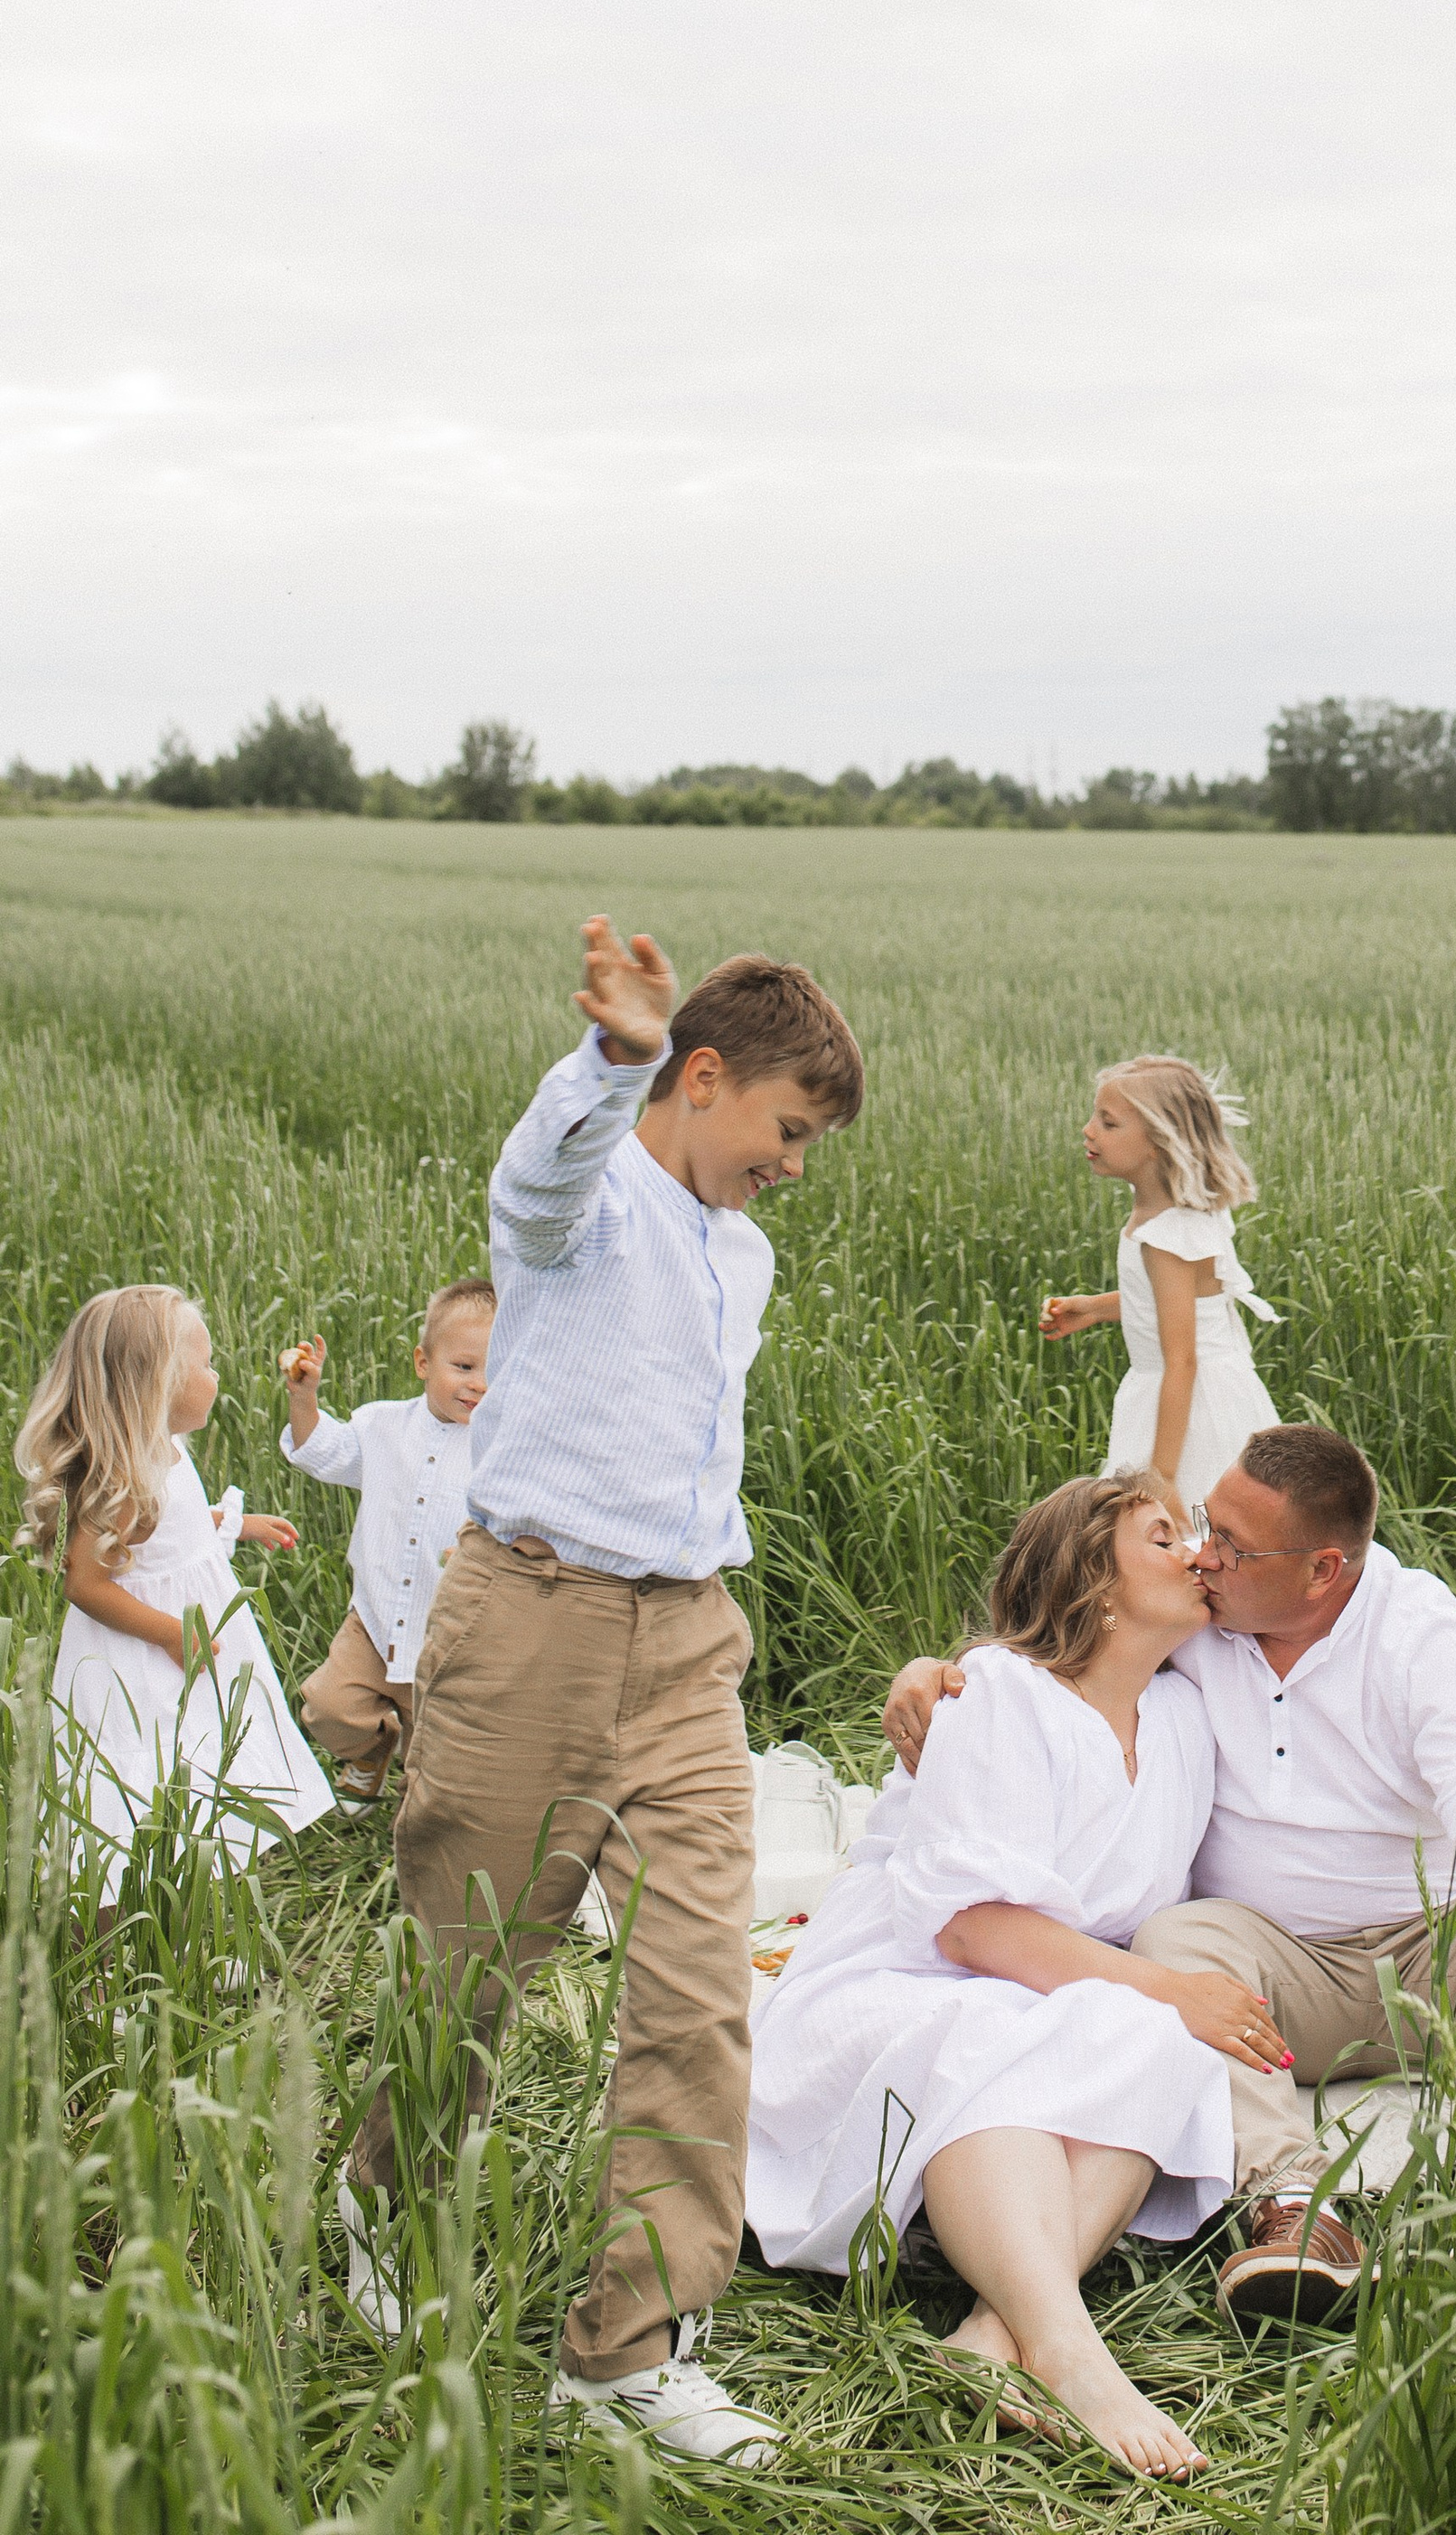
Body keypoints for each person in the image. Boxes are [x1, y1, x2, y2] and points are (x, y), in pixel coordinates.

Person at [343, 921, 863, 2471]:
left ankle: (631, 2349)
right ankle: (388, 2197)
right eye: (782, 1133)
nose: (789, 1167)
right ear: (703, 1078)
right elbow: (536, 1179)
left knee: (702, 1986)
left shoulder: (745, 1254)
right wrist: (609, 1064)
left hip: (690, 1640)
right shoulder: (586, 1213)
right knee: (470, 1964)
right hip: (534, 1622)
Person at [885, 1422, 1456, 2324]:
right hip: (1275, 1975)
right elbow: (1070, 1643)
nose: (1202, 1556)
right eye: (1203, 1526)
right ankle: (1297, 2212)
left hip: (1427, 1953)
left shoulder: (1415, 1632)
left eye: (1232, 1545)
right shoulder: (1204, 1621)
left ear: (1321, 1570)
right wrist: (940, 1670)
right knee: (1177, 1941)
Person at [748, 1474, 1271, 2479]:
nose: (1198, 1554)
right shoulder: (999, 1695)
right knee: (1005, 2034)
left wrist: (1173, 2000)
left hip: (1048, 1989)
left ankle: (995, 2334)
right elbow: (974, 1932)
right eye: (1163, 1539)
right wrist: (1171, 1987)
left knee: (1168, 2042)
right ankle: (1069, 2350)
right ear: (1097, 1586)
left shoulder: (1181, 1719)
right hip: (905, 1978)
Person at [16, 1285, 332, 1896]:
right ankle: (113, 1931)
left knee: (210, 1768)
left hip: (187, 1650)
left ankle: (202, 1923)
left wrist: (233, 1523)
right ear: (157, 1385)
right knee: (147, 1780)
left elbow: (173, 1533)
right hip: (146, 1664)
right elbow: (85, 1581)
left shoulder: (164, 1453)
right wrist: (171, 1634)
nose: (216, 1375)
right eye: (206, 1364)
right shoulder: (126, 1478)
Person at [277, 1278, 494, 1809]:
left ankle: (417, 1818)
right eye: (463, 1368)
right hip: (374, 1617)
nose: (479, 1385)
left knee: (437, 1756)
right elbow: (319, 1450)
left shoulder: (499, 1451)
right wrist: (303, 1397)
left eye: (496, 1371)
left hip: (447, 1634)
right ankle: (370, 1749)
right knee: (328, 1707)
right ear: (423, 1362)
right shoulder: (383, 1426)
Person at [1041, 1057, 1279, 1520]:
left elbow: (1181, 1358)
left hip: (1186, 1409)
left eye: (1108, 1123)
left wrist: (1164, 1474)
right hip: (1213, 1390)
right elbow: (1181, 1306)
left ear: (1158, 1141)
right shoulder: (1174, 1214)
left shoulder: (1164, 1237)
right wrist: (1093, 1308)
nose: (1089, 1131)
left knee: (1186, 1532)